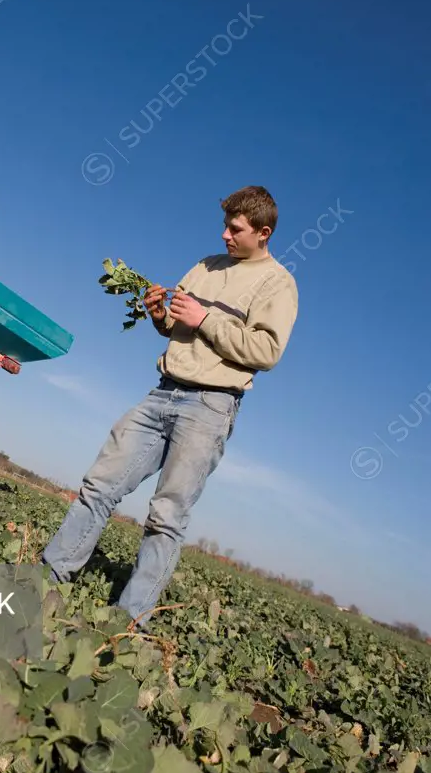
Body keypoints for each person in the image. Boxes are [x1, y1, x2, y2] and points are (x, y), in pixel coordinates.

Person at [41, 186, 298, 626]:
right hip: (163, 391)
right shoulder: (204, 267)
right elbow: (176, 329)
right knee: (99, 486)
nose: (224, 236)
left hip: (210, 406)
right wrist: (161, 314)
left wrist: (206, 319)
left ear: (263, 232)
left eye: (235, 229)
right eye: (225, 226)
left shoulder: (278, 283)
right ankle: (47, 581)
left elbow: (266, 352)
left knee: (166, 515)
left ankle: (127, 624)